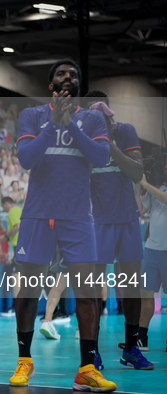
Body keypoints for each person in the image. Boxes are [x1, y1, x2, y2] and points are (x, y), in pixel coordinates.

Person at [10, 59, 116, 392]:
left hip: (77, 217)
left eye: (73, 75)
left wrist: (69, 124)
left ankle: (87, 368)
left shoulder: (94, 118)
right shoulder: (33, 115)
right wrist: (51, 124)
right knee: (27, 293)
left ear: (79, 86)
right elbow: (26, 158)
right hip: (38, 215)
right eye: (61, 74)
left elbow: (100, 158)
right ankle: (24, 361)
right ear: (51, 84)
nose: (67, 78)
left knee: (86, 294)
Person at [83, 91, 153, 371]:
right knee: (93, 289)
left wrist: (109, 145)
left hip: (127, 219)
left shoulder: (124, 132)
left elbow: (137, 172)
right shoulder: (83, 138)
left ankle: (131, 349)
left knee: (131, 287)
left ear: (108, 112)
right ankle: (92, 352)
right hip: (97, 222)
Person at [137, 166, 167, 353]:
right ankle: (141, 338)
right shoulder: (160, 186)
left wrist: (147, 184)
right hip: (151, 249)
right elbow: (141, 209)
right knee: (146, 295)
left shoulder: (158, 189)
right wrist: (141, 189)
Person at [0, 197, 22, 317]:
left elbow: (17, 226)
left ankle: (16, 307)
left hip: (19, 246)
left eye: (3, 206)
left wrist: (6, 237)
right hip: (21, 246)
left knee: (15, 276)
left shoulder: (13, 211)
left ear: (6, 203)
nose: (4, 209)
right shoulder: (19, 210)